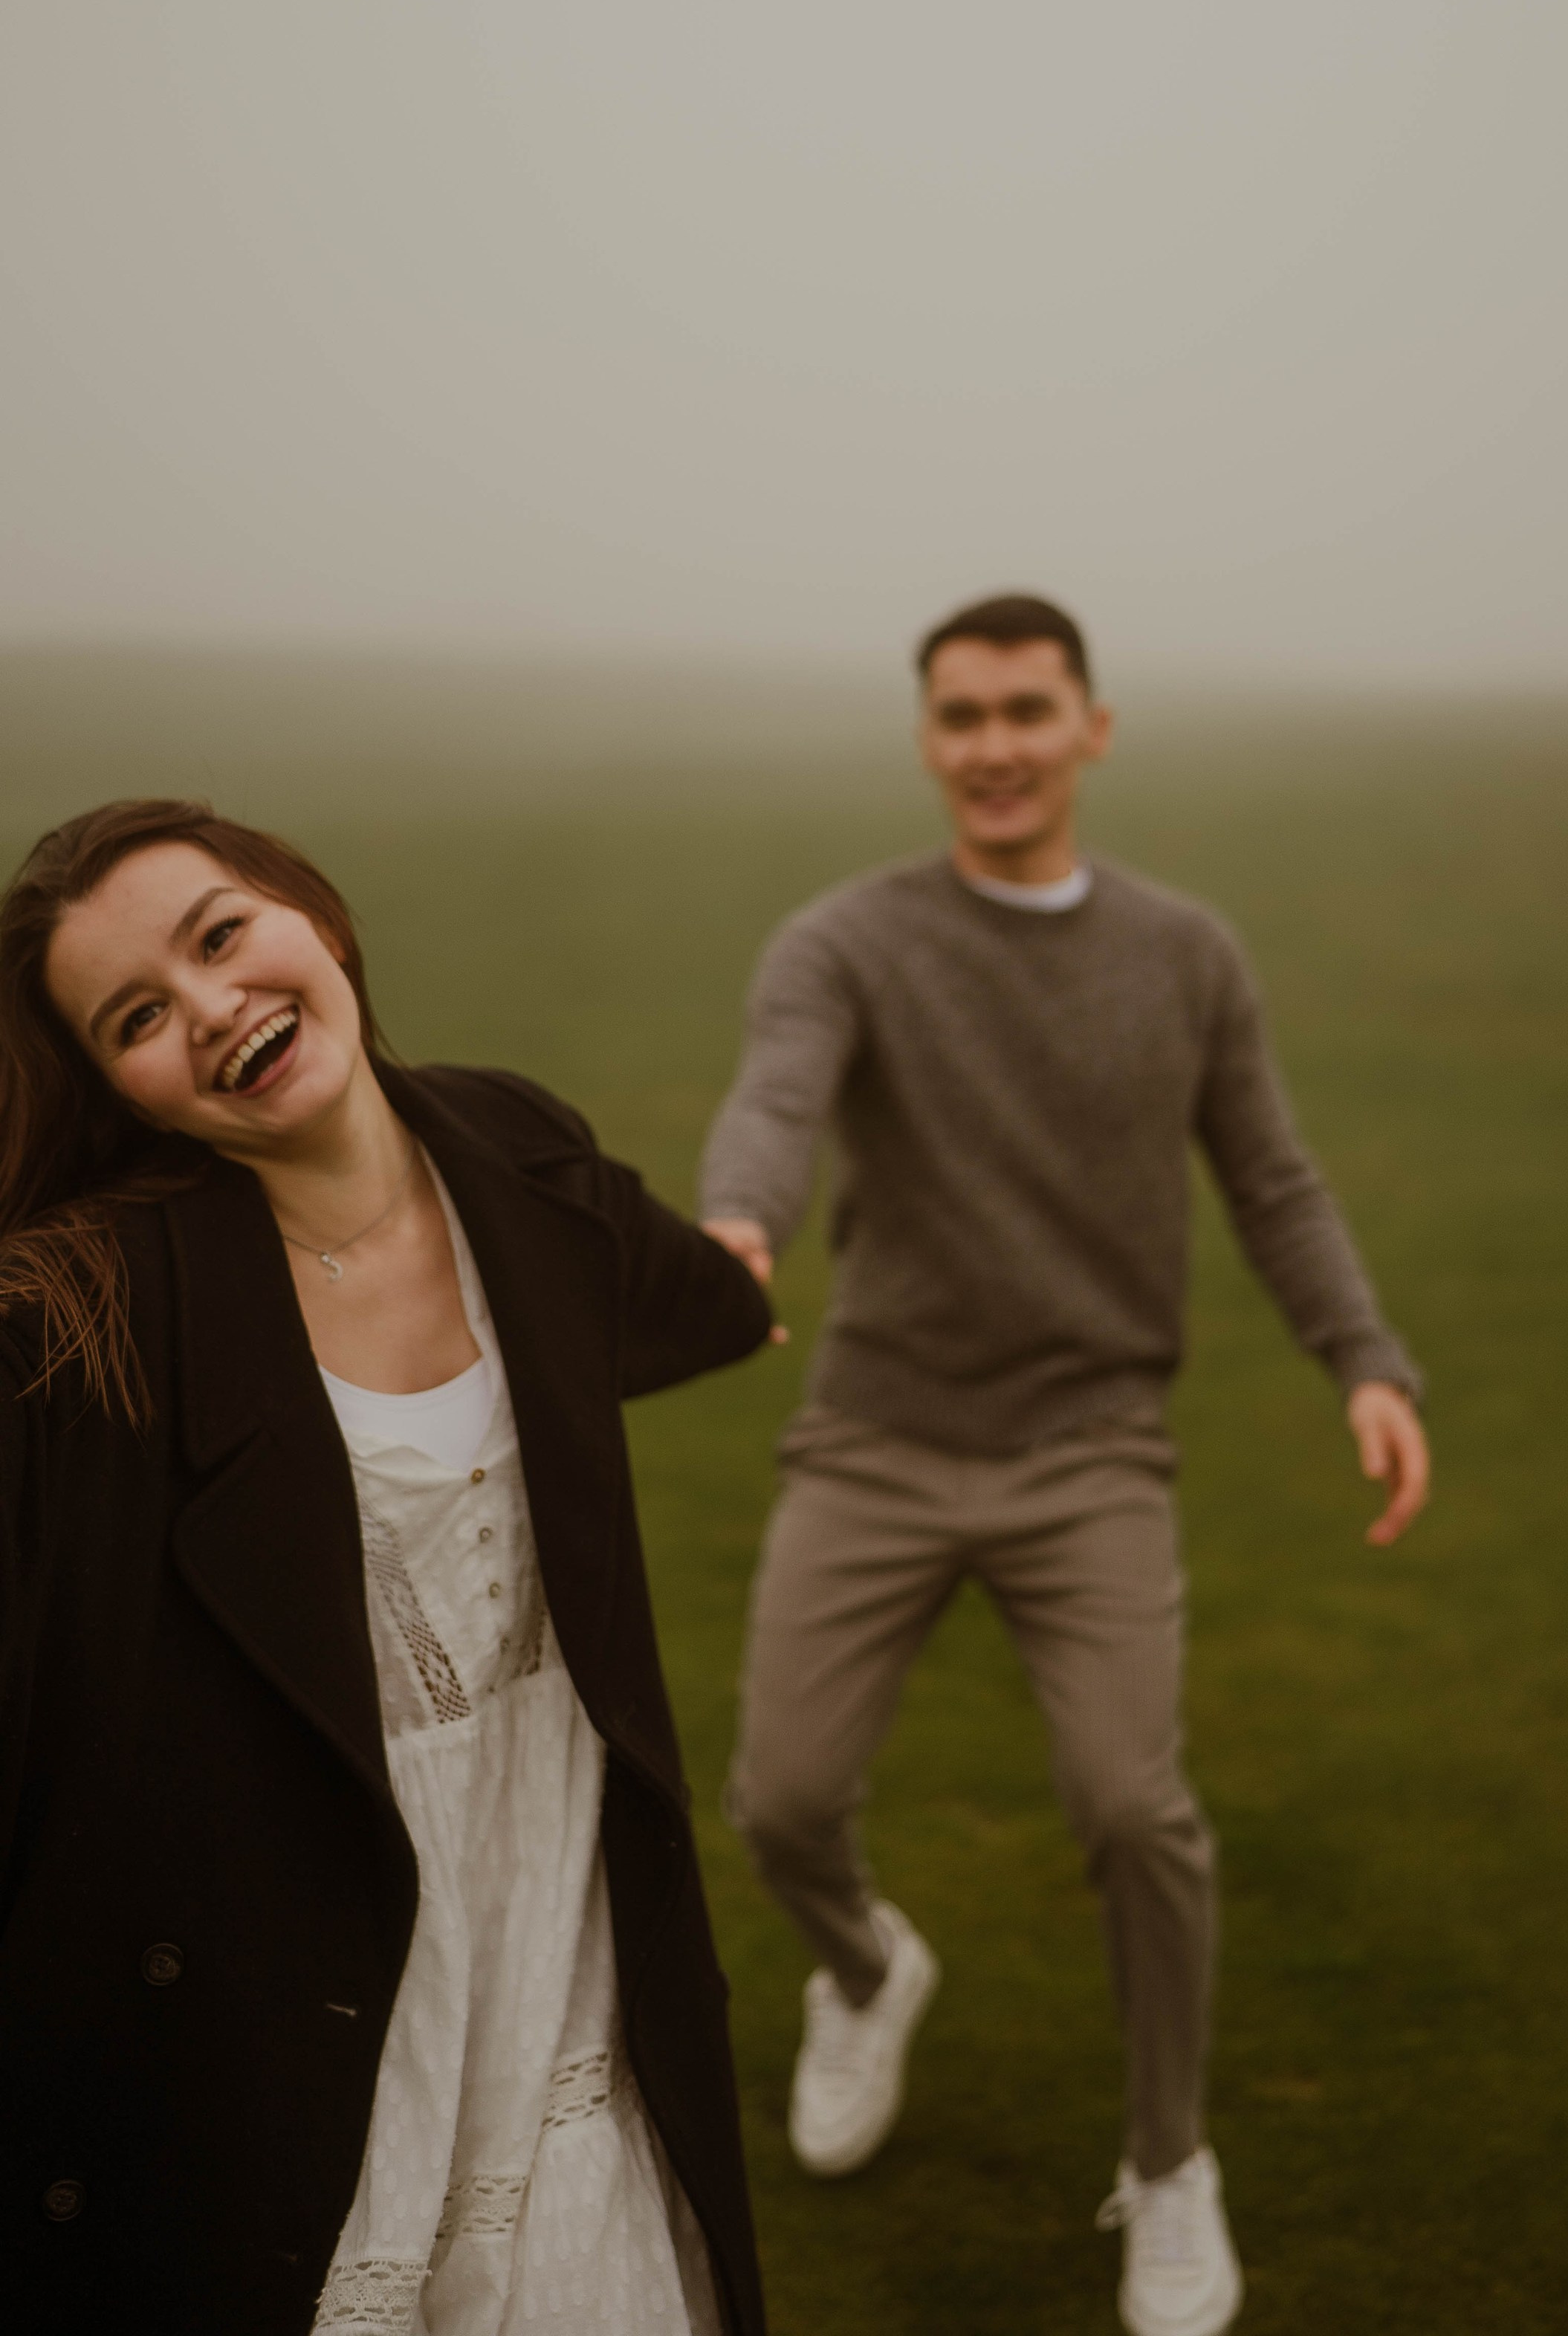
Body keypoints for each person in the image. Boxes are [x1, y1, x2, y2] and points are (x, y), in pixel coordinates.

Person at [699, 594, 1431, 2336]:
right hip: (877, 1431)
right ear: (928, 739)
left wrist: (1365, 1357)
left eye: (1029, 708)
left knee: (1130, 1802)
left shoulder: (1185, 954)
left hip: (1089, 1442)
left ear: (1092, 725)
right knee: (779, 1802)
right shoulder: (845, 939)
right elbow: (777, 1093)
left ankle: (1168, 2160)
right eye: (960, 715)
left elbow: (1270, 1177)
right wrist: (738, 1221)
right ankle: (870, 1972)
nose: (996, 744)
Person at [0, 796, 777, 2336]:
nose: (216, 1007)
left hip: (562, 1913)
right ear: (121, 1092)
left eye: (221, 934)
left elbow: (672, 1284)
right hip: (288, 1950)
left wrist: (752, 1294)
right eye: (138, 1016)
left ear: (313, 915)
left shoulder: (511, 1150)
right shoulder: (80, 1322)